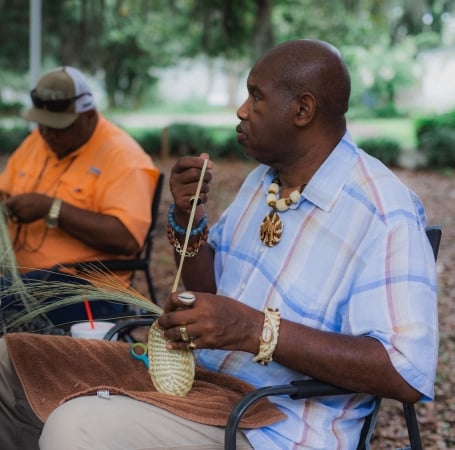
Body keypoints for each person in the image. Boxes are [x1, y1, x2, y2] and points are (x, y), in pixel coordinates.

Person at [0, 39, 438, 449]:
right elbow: (207, 289)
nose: (242, 110)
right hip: (199, 382)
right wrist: (188, 221)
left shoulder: (382, 212)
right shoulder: (264, 179)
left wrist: (255, 330)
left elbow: (405, 370)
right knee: (11, 359)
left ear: (302, 110)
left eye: (257, 97)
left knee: (75, 427)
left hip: (274, 420)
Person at [0, 66, 160, 327]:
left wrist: (51, 209)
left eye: (59, 127)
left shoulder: (123, 157)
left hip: (86, 290)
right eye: (42, 124)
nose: (48, 134)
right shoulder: (38, 142)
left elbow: (126, 239)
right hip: (22, 280)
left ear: (88, 115)